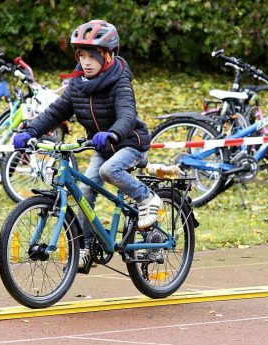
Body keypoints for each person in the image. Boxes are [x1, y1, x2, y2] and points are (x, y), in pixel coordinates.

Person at [12, 19, 162, 269]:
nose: (86, 62)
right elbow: (55, 112)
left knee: (108, 171)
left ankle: (147, 199)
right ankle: (85, 248)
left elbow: (126, 115)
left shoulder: (120, 82)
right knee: (84, 192)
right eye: (82, 55)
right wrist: (30, 130)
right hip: (103, 147)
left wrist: (112, 133)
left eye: (92, 56)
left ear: (107, 56)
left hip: (128, 142)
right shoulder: (78, 85)